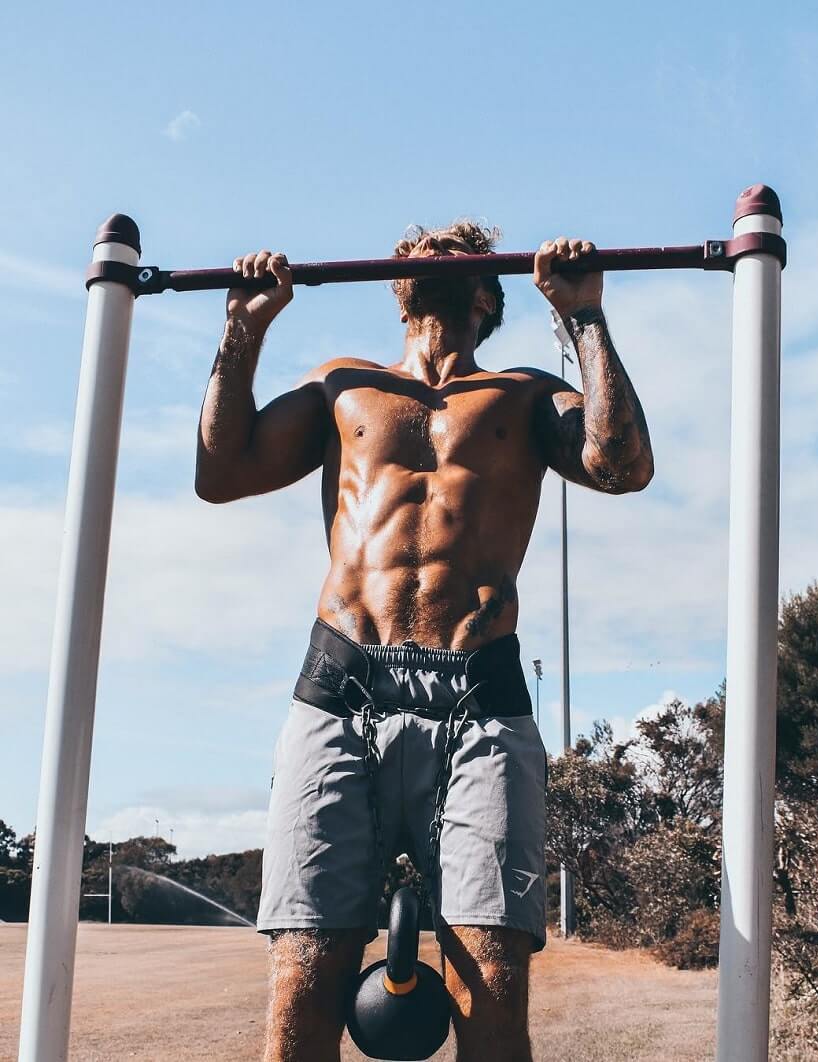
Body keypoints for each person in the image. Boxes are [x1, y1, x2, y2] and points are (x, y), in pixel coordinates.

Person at [195, 221, 654, 1062]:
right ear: (396, 287)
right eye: (420, 249)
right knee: (304, 975)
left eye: (457, 250)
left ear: (488, 294)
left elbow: (621, 465)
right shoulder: (343, 387)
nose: (433, 257)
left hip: (481, 700)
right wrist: (243, 330)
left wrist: (584, 317)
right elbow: (221, 474)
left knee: (491, 978)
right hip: (342, 689)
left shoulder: (524, 394)